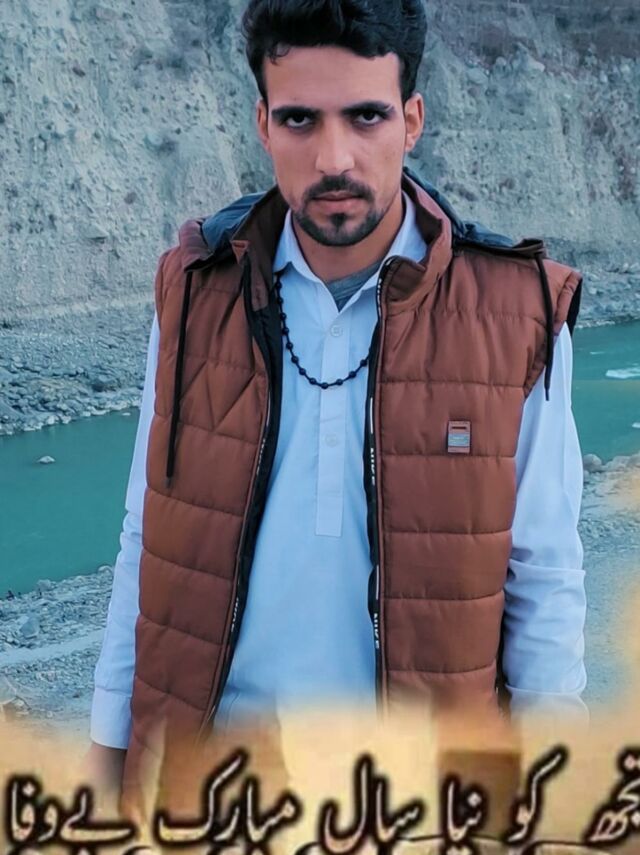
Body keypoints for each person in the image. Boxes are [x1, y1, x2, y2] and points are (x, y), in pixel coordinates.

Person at [85, 0, 588, 823]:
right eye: (299, 119)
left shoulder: (517, 312)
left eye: (365, 116)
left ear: (412, 120)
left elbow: (544, 578)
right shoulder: (196, 290)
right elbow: (147, 535)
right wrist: (108, 757)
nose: (334, 157)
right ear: (262, 123)